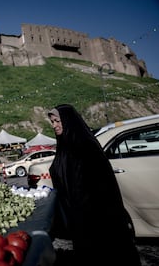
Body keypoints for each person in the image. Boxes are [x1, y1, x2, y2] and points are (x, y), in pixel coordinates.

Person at [47, 104, 141, 266]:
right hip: (79, 217)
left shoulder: (85, 146)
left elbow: (98, 185)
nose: (54, 125)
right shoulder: (65, 146)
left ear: (68, 121)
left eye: (57, 121)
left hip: (96, 217)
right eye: (52, 122)